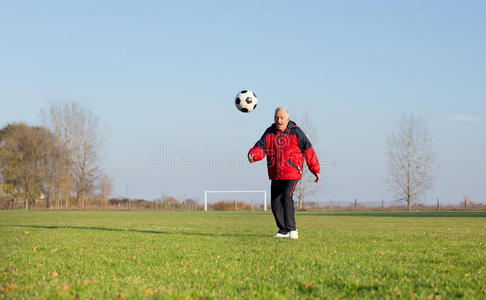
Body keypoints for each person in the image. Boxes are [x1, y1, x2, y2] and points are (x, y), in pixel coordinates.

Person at [248, 107, 320, 239]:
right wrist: (253, 154)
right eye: (276, 118)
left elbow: (309, 151)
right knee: (275, 202)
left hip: (292, 171)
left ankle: (292, 230)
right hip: (275, 172)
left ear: (287, 118)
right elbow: (260, 147)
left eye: (281, 118)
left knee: (286, 196)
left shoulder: (296, 132)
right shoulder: (269, 132)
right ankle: (283, 230)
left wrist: (315, 169)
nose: (279, 120)